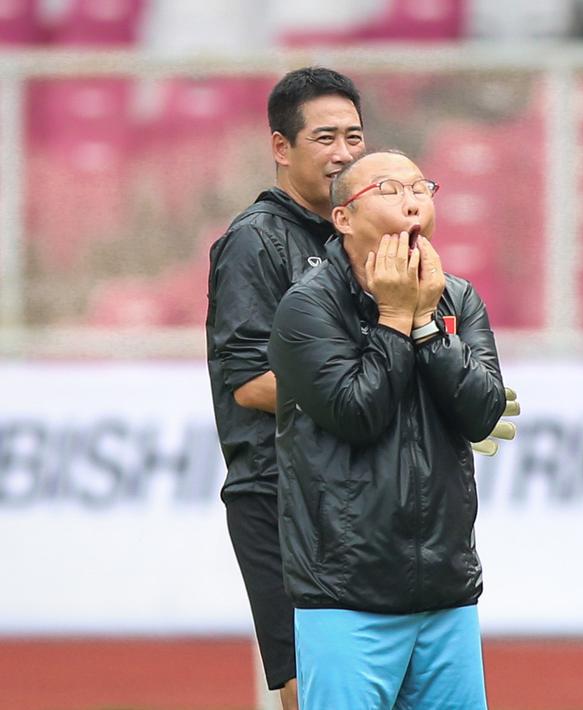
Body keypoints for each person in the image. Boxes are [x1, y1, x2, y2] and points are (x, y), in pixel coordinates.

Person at [268, 150, 506, 710]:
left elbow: (483, 411)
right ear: (343, 218)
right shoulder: (307, 307)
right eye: (388, 188)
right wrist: (395, 318)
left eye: (421, 187)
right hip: (348, 595)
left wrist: (425, 324)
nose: (411, 199)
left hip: (445, 590)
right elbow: (356, 412)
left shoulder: (457, 297)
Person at [205, 66, 365, 710]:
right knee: (311, 686)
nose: (345, 153)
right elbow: (248, 384)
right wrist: (371, 398)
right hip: (278, 493)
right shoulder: (253, 242)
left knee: (365, 679)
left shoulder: (355, 233)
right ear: (282, 147)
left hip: (355, 488)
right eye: (325, 138)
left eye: (354, 135)